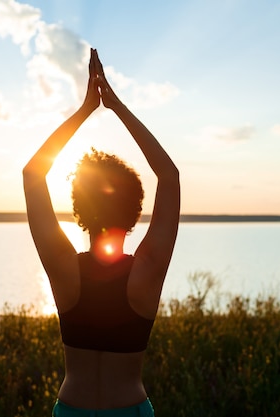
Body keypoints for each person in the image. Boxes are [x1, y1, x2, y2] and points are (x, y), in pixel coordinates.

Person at [23, 48, 180, 417]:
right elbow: (169, 177)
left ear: (80, 208)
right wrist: (115, 105)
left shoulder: (64, 269)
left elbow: (33, 175)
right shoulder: (148, 269)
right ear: (134, 211)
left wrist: (86, 109)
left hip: (71, 410)